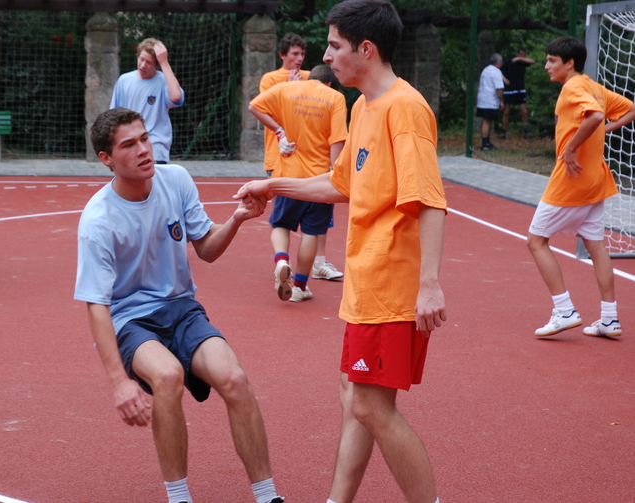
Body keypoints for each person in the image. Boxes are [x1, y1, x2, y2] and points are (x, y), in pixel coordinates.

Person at [236, 1, 448, 501]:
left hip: (391, 285)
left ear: (365, 49)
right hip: (366, 283)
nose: (327, 56)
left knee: (371, 407)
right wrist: (273, 185)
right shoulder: (363, 107)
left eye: (334, 45)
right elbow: (340, 182)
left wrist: (429, 285)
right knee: (354, 396)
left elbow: (430, 200)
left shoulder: (405, 108)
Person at [74, 108, 284, 503]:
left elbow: (206, 249)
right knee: (168, 376)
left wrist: (237, 219)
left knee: (235, 379)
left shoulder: (176, 180)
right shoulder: (98, 221)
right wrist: (120, 382)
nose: (143, 149)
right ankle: (179, 497)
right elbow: (97, 305)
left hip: (181, 309)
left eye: (144, 139)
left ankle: (268, 495)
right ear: (106, 159)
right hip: (129, 319)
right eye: (129, 145)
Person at [528, 36, 635, 338]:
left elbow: (597, 116)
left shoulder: (573, 87)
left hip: (571, 181)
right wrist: (603, 129)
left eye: (552, 61)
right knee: (596, 246)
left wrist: (572, 148)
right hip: (596, 181)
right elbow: (630, 109)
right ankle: (609, 319)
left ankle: (564, 310)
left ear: (569, 63)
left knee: (535, 241)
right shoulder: (593, 86)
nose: (547, 66)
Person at [249, 64, 348, 302]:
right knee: (311, 232)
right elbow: (337, 140)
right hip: (318, 180)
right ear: (330, 83)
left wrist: (279, 132)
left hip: (288, 176)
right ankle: (300, 287)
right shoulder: (335, 98)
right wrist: (336, 173)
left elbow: (254, 106)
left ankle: (281, 260)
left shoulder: (286, 89)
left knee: (280, 225)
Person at [110, 38, 184, 163]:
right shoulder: (124, 81)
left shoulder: (164, 81)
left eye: (149, 62)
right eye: (141, 59)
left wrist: (164, 63)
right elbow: (113, 115)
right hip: (130, 145)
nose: (143, 65)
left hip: (155, 146)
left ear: (156, 65)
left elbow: (176, 97)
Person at [501, 48, 535, 139]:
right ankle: (503, 133)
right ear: (517, 54)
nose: (521, 56)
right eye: (520, 54)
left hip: (520, 89)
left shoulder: (523, 62)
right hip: (509, 89)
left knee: (524, 111)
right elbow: (499, 70)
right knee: (507, 111)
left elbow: (532, 61)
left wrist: (520, 59)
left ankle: (526, 133)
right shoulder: (508, 62)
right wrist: (504, 79)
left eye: (523, 55)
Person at [476, 53, 505, 151]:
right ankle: (485, 144)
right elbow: (499, 88)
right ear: (498, 62)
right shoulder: (496, 72)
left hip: (482, 99)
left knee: (487, 121)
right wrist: (501, 101)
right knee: (487, 121)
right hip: (490, 100)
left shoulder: (486, 70)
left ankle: (487, 141)